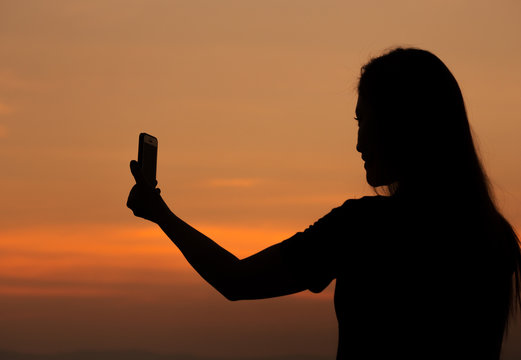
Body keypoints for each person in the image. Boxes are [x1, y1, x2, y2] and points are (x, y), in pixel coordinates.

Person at [127, 47, 521, 359]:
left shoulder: (363, 229)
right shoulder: (497, 240)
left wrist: (161, 214)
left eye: (364, 121)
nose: (359, 143)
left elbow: (236, 280)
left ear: (401, 125)